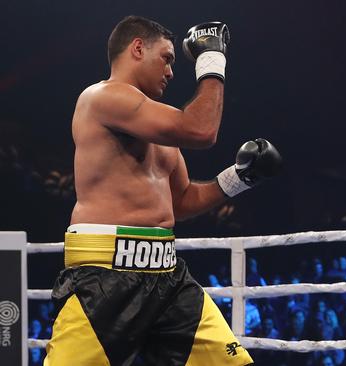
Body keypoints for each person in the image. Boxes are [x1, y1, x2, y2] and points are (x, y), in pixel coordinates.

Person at [45, 16, 283, 365]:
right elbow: (201, 130)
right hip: (105, 273)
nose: (171, 71)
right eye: (167, 58)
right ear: (137, 48)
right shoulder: (103, 97)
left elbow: (181, 201)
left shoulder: (160, 126)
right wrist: (212, 58)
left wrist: (239, 178)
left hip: (166, 273)